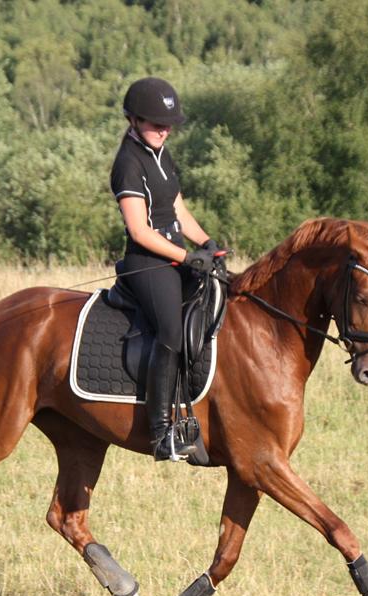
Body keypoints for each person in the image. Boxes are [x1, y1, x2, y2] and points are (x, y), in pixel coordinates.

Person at [110, 76, 219, 462]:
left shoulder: (161, 155)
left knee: (215, 302)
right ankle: (161, 432)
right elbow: (140, 231)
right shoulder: (128, 163)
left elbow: (177, 211)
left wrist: (207, 244)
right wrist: (186, 257)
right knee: (172, 331)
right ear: (133, 120)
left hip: (173, 254)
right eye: (156, 123)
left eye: (168, 124)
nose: (164, 129)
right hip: (147, 264)